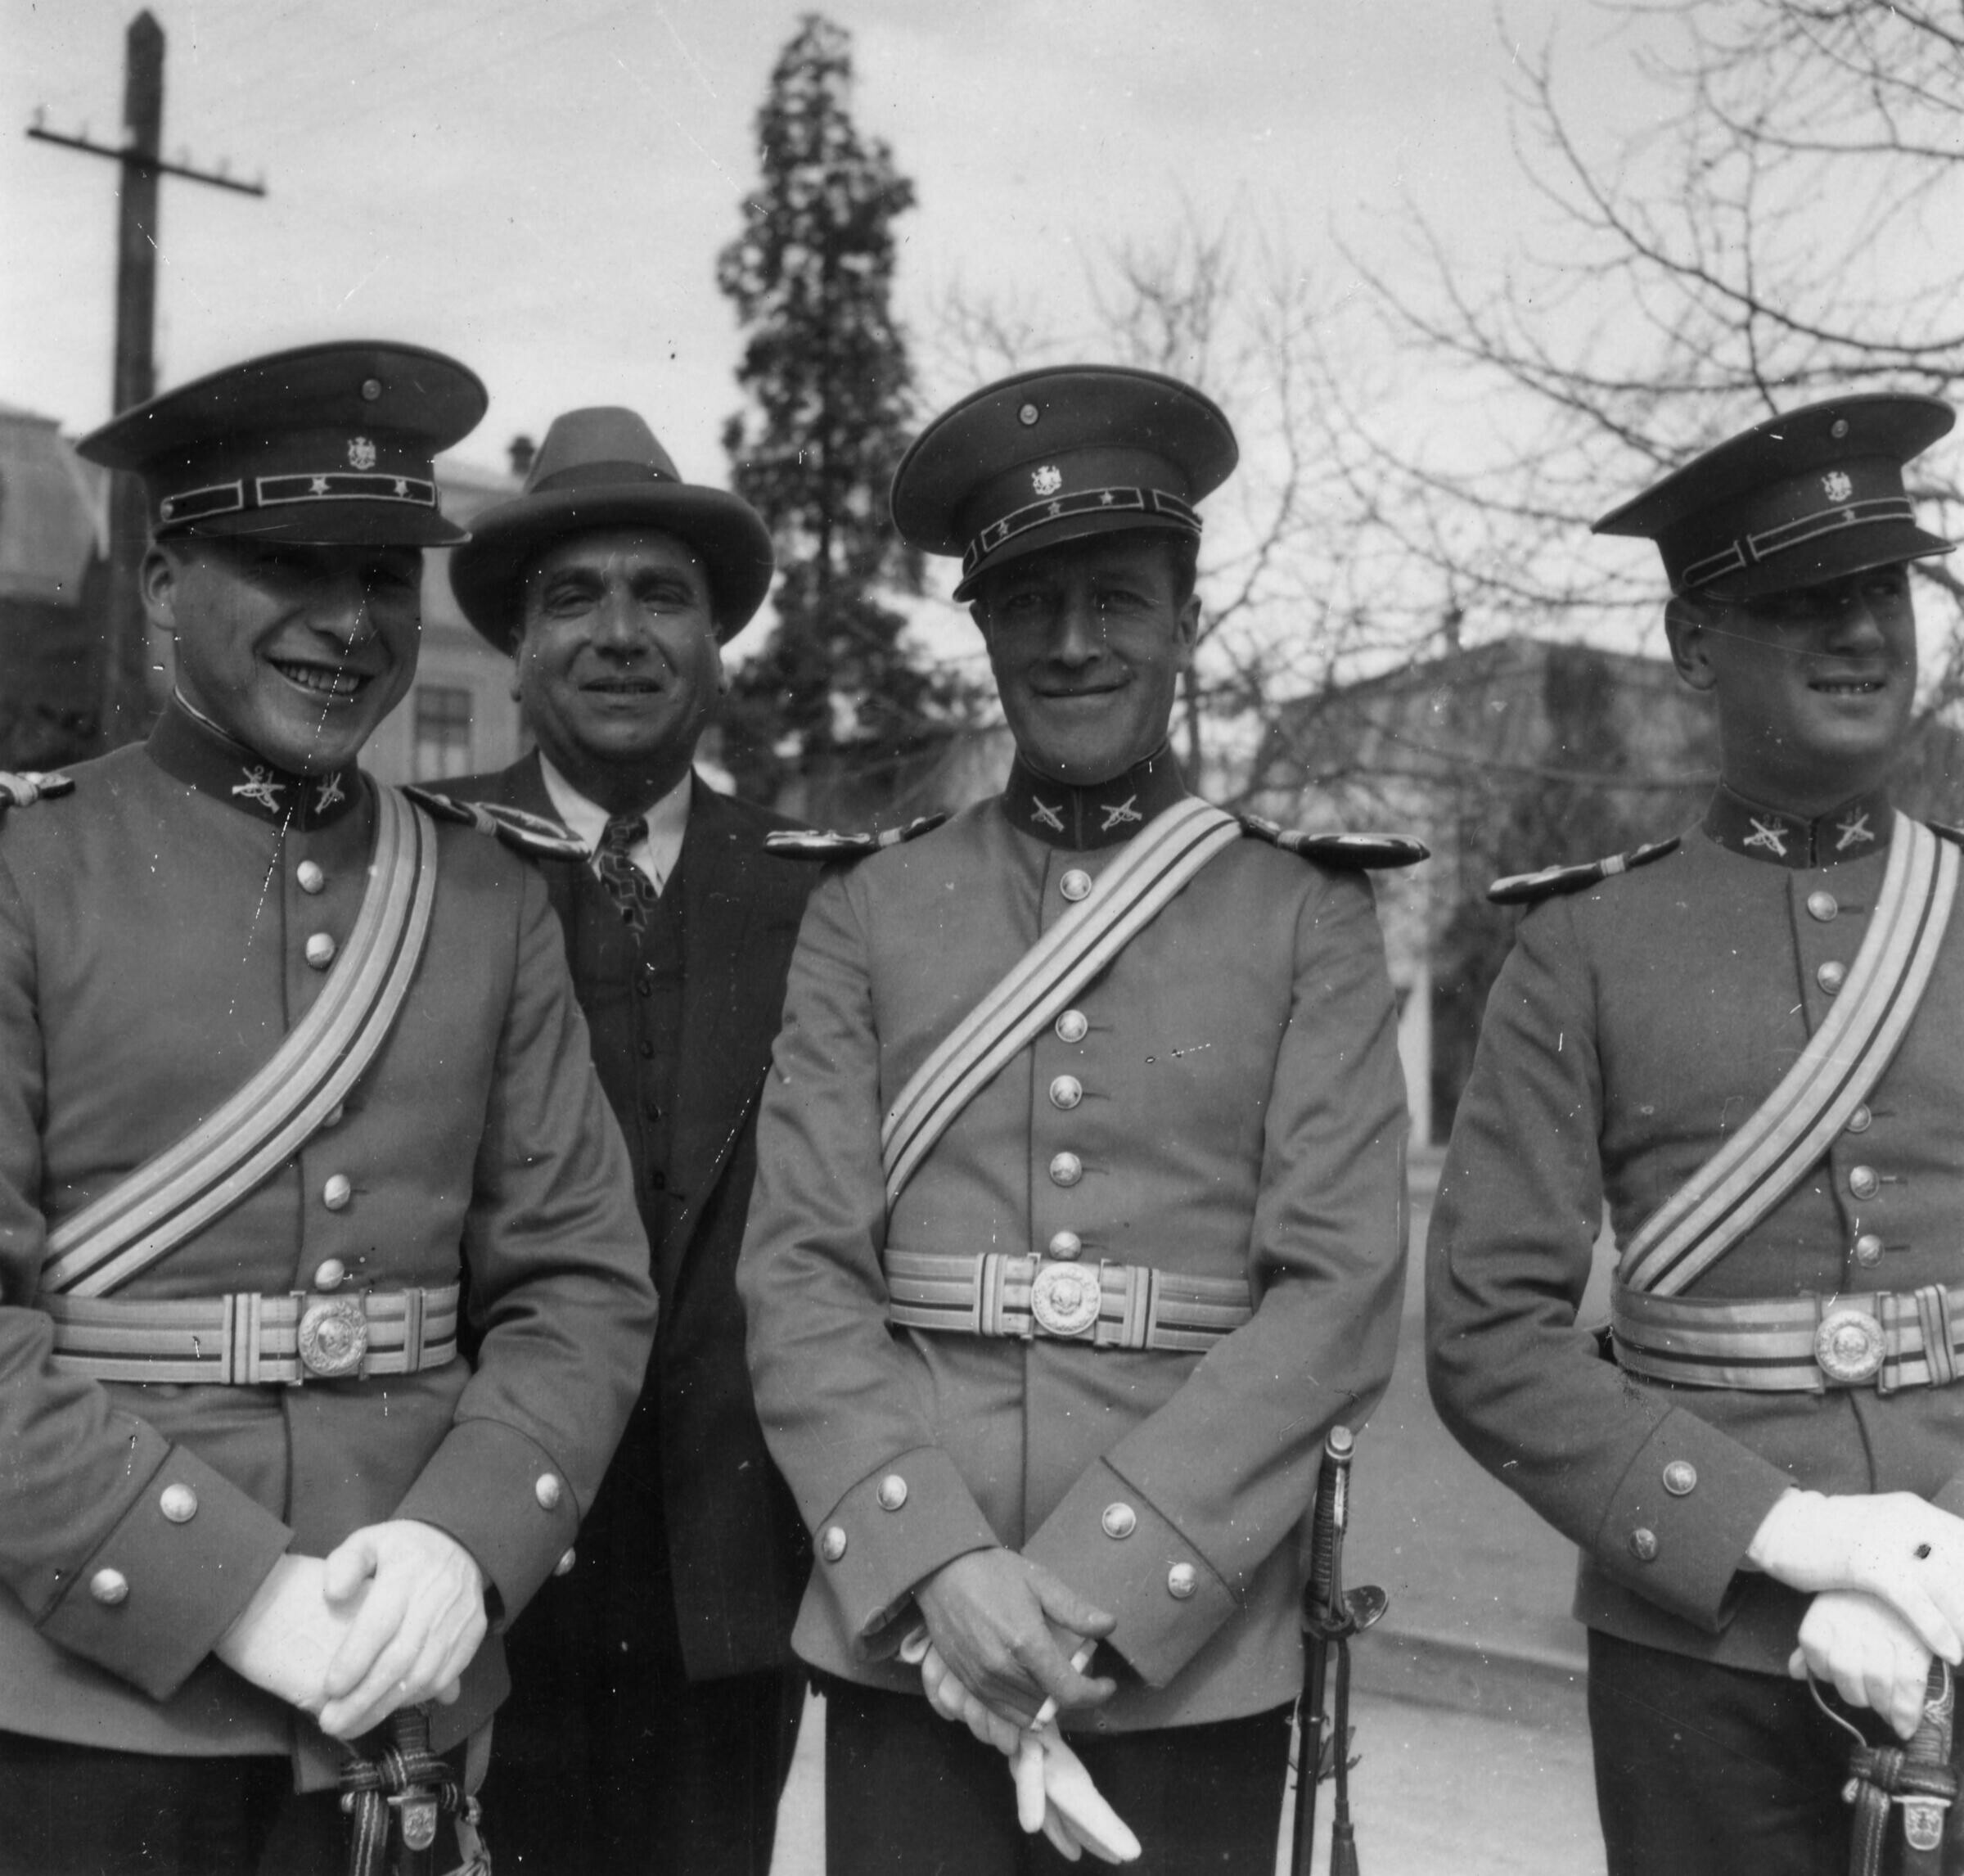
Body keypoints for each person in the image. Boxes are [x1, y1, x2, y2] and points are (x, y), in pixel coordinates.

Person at [736, 363, 1414, 1874]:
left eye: (1116, 597)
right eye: (1028, 604)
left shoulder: (1306, 915)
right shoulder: (868, 911)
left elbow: (1339, 1295)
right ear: (982, 629)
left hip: (1190, 1644)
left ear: (1185, 618)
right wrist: (939, 1571)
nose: (1072, 642)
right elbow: (797, 1274)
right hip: (915, 1629)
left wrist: (1112, 1575)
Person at [0, 342, 657, 1876]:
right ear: (164, 585)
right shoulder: (31, 879)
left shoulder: (487, 894)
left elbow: (580, 1282)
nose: (349, 623)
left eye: (382, 572)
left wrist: (468, 1540)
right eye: (287, 564)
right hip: (83, 1695)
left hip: (398, 1679)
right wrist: (224, 1586)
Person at [1426, 393, 1964, 1875]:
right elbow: (1487, 1336)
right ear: (1692, 644)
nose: (1860, 633)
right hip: (1696, 1642)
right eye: (1802, 601)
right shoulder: (1583, 946)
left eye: (1880, 588)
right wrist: (1797, 1540)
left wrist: (1926, 1556)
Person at [440, 406, 819, 1874]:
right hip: (467, 1562)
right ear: (517, 646)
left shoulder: (820, 898)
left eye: (660, 595)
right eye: (573, 599)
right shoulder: (424, 864)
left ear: (716, 640)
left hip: (725, 1587)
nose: (618, 635)